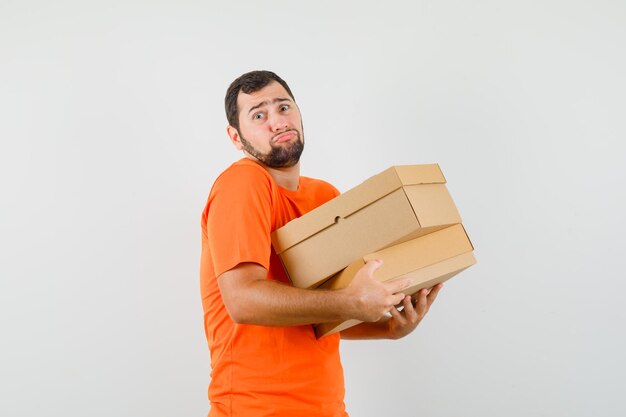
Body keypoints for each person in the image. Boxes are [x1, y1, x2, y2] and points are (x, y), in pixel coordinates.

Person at [200, 70, 443, 417]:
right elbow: (242, 300)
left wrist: (387, 325)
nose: (277, 121)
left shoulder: (325, 196)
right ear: (236, 137)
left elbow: (322, 314)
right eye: (259, 115)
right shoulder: (242, 183)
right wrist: (350, 300)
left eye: (284, 108)